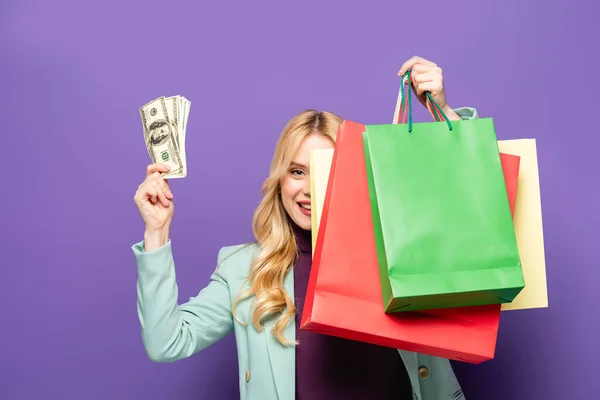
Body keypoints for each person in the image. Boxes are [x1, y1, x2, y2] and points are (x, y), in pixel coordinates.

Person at [132, 56, 479, 400]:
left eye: (326, 167)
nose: (310, 188)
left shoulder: (397, 249)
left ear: (350, 174)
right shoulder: (243, 269)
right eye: (298, 171)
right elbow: (167, 342)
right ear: (280, 180)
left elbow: (469, 213)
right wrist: (157, 232)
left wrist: (444, 113)